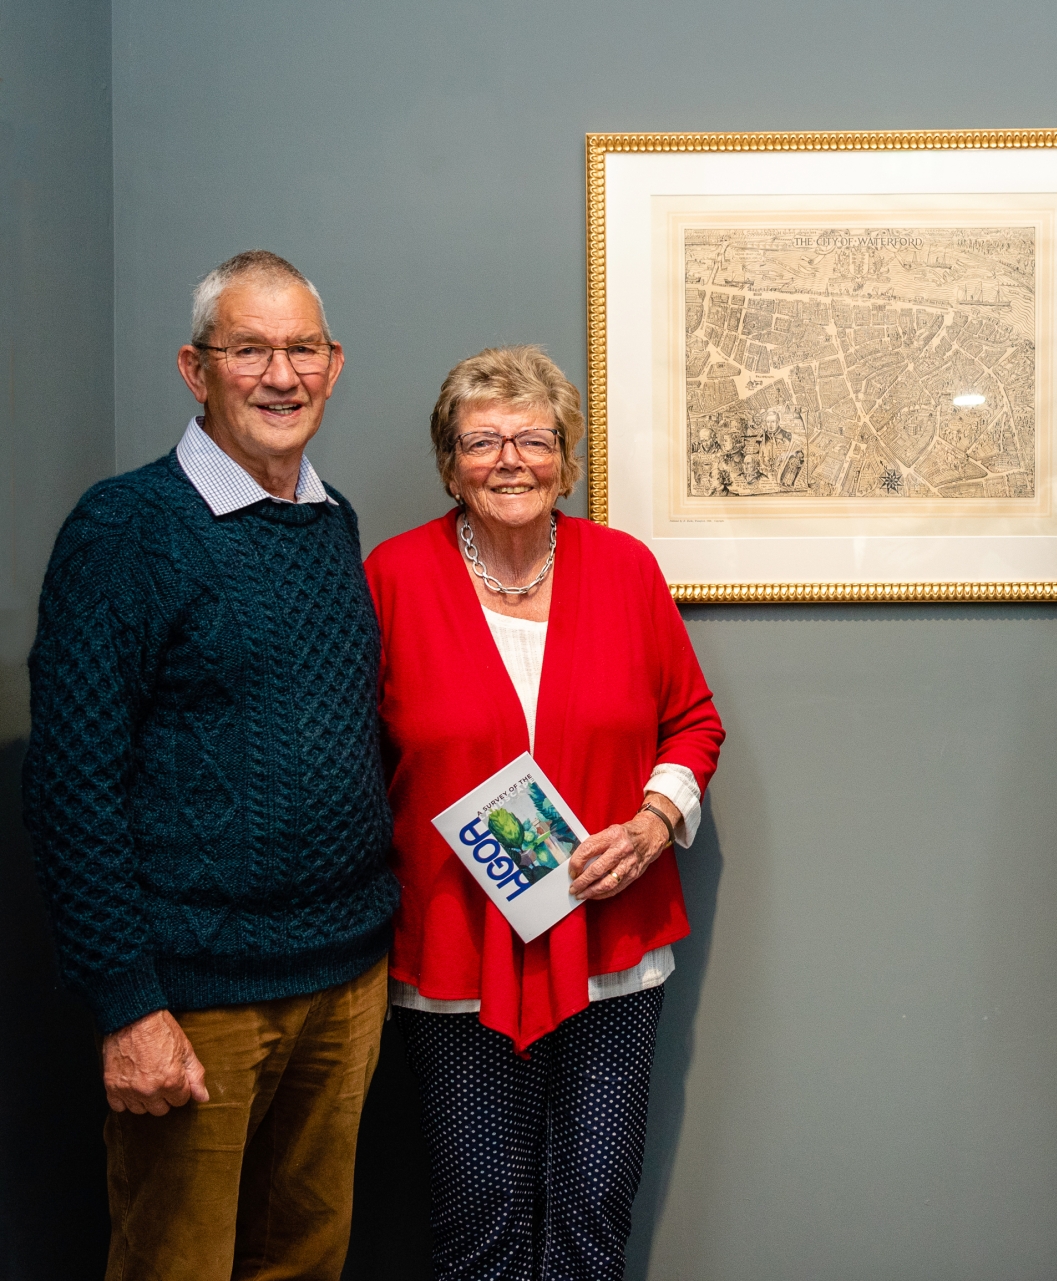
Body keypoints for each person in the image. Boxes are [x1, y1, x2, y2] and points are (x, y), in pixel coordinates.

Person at [22, 250, 394, 1280]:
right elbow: (70, 787)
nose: (282, 375)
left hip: (346, 981)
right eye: (249, 350)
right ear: (196, 369)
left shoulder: (333, 521)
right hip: (196, 1001)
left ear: (334, 364)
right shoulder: (125, 529)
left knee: (308, 1259)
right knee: (175, 1265)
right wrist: (128, 1005)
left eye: (303, 349)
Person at [364, 345, 724, 1280]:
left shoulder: (625, 569)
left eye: (534, 438)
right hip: (455, 949)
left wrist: (652, 824)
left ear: (566, 460)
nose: (510, 460)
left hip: (613, 946)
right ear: (450, 464)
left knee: (592, 1212)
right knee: (477, 1222)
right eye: (482, 440)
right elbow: (352, 756)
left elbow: (692, 721)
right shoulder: (392, 577)